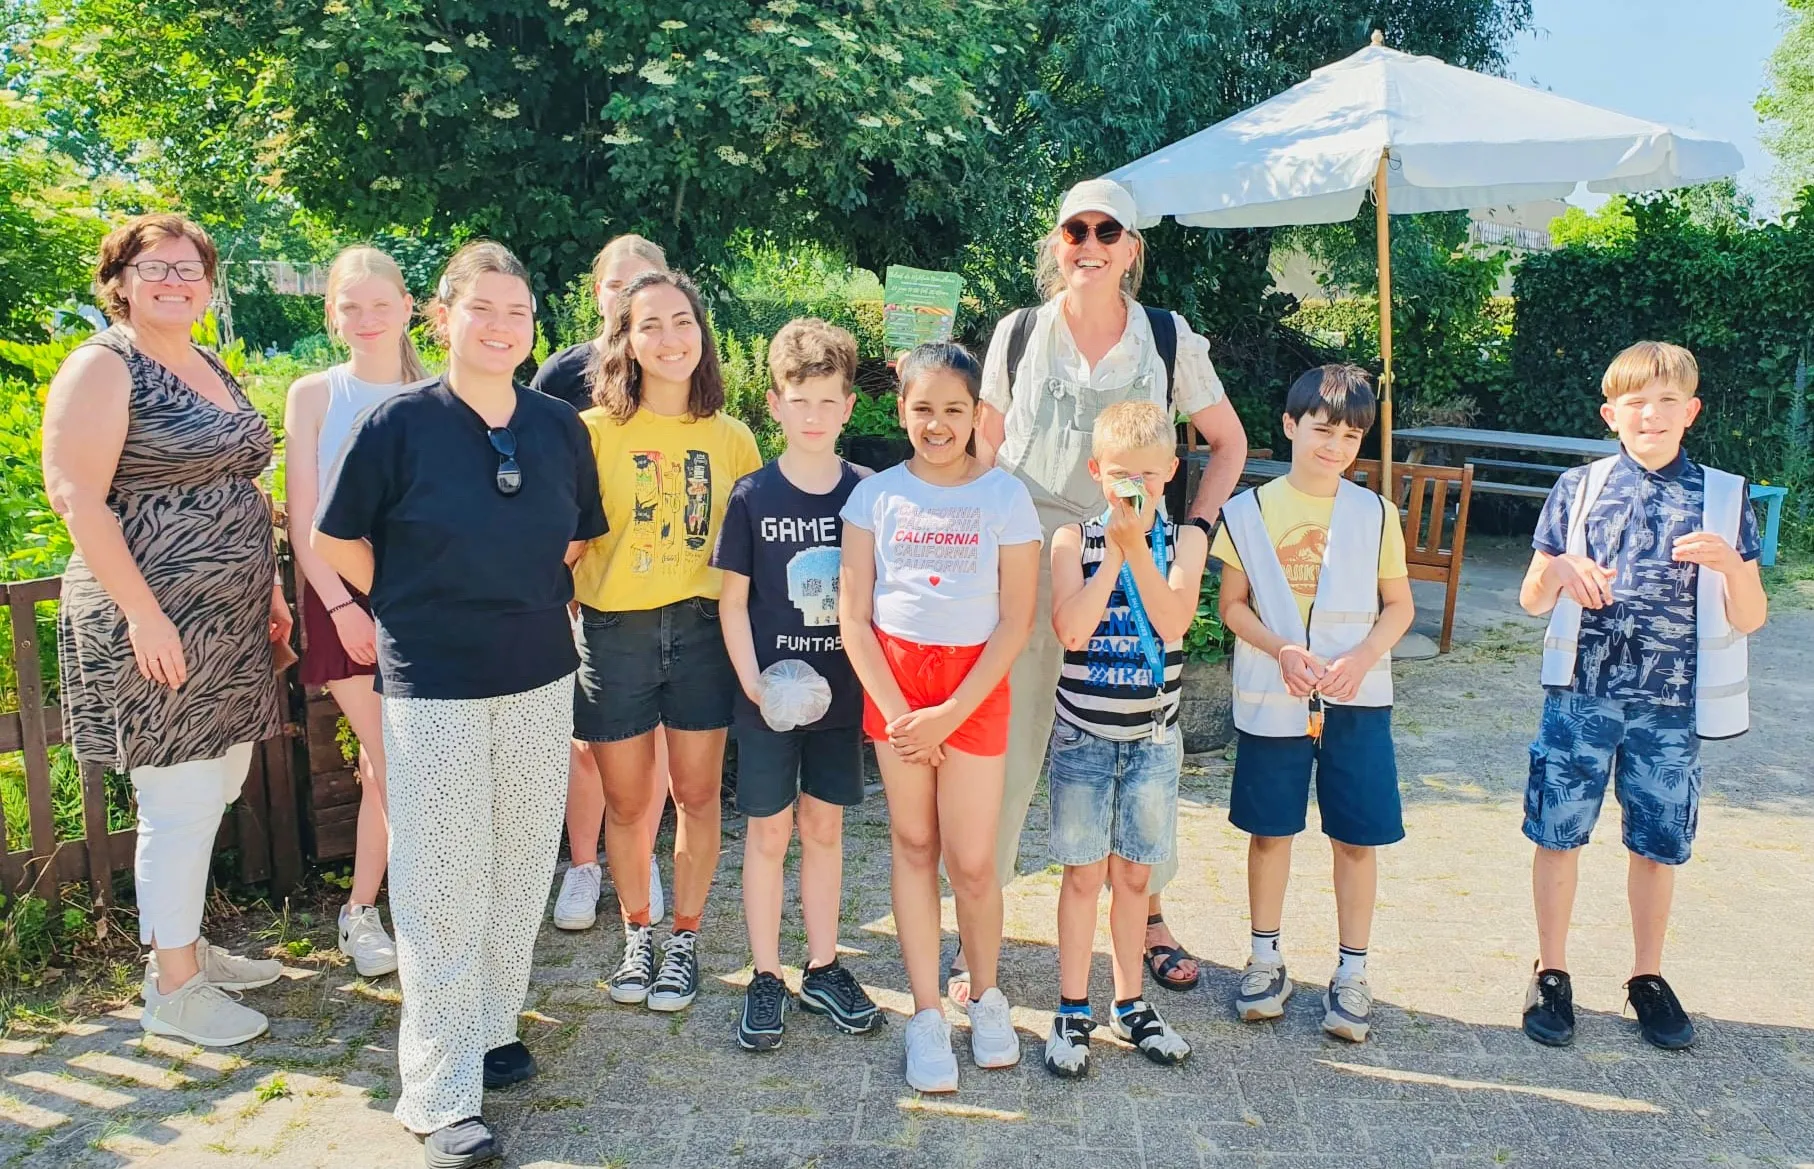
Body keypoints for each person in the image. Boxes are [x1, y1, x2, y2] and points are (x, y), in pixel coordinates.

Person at [312, 241, 606, 1168]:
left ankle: (486, 1027)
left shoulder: (561, 426)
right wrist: (408, 604)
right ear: (442, 317)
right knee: (441, 878)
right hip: (432, 677)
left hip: (537, 668)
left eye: (517, 312)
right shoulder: (399, 424)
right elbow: (337, 540)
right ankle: (436, 1096)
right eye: (481, 308)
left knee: (519, 862)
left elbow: (573, 542)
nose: (500, 326)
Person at [971, 177, 1248, 998]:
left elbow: (1226, 445)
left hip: (1132, 570)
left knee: (1141, 750)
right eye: (1074, 230)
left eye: (1107, 232)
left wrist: (1192, 530)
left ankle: (1149, 918)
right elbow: (984, 461)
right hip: (1030, 565)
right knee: (1013, 752)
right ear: (1056, 244)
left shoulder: (1165, 338)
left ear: (1131, 249)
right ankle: (977, 936)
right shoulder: (1019, 334)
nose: (1088, 245)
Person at [44, 213, 288, 1047]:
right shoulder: (104, 366)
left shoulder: (207, 362)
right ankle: (173, 990)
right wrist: (145, 613)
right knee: (178, 799)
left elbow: (239, 480)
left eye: (190, 268)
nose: (176, 281)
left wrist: (271, 589)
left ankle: (184, 948)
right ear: (119, 281)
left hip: (231, 616)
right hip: (153, 615)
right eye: (156, 268)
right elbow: (75, 493)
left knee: (216, 784)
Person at [1517, 341, 1766, 1052]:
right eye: (1635, 402)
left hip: (1672, 705)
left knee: (1658, 844)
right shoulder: (1579, 487)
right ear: (1611, 413)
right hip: (1582, 695)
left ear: (1690, 411)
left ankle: (1646, 976)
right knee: (1557, 832)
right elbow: (1532, 598)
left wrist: (1729, 563)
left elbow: (1749, 617)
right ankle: (1553, 968)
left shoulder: (1724, 494)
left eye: (1665, 401)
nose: (1649, 414)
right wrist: (1560, 568)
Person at [839, 342, 1042, 1093]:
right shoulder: (874, 496)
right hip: (897, 684)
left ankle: (986, 995)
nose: (938, 423)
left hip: (975, 685)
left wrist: (953, 710)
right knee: (913, 842)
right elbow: (853, 617)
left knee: (974, 858)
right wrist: (901, 715)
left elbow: (1018, 618)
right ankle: (926, 1013)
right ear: (901, 411)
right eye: (923, 408)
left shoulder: (1003, 497)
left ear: (975, 414)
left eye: (954, 409)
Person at [572, 270, 762, 1014]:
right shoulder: (589, 433)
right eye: (650, 324)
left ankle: (684, 938)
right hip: (613, 631)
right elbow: (562, 541)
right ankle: (636, 933)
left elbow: (752, 556)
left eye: (682, 322)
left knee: (697, 794)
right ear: (625, 339)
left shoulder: (733, 438)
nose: (670, 339)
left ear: (702, 334)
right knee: (627, 803)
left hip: (702, 629)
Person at [1212, 365, 1413, 1044]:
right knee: (1270, 831)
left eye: (1351, 435)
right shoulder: (1248, 511)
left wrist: (1360, 658)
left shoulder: (1377, 513)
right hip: (1275, 697)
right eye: (1323, 429)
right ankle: (1265, 958)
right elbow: (1230, 607)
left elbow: (1400, 606)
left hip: (1358, 700)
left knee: (1356, 837)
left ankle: (1352, 971)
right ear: (1291, 425)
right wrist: (1281, 649)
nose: (1335, 445)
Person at [715, 318, 881, 1051]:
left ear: (849, 406)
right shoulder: (752, 495)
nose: (813, 415)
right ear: (774, 404)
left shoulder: (867, 494)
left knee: (825, 829)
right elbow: (730, 600)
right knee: (768, 833)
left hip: (841, 701)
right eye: (798, 399)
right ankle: (764, 973)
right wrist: (753, 686)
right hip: (768, 705)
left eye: (827, 400)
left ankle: (822, 964)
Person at [1042, 401, 1206, 1078]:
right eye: (1119, 474)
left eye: (1146, 472)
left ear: (1169, 471)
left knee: (1135, 873)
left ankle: (1130, 1000)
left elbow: (1173, 623)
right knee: (1082, 874)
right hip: (1083, 735)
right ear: (1096, 474)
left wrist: (1139, 547)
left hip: (1153, 740)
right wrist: (1113, 553)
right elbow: (1071, 630)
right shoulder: (1069, 541)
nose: (1133, 486)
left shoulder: (1187, 542)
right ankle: (1073, 1004)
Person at [284, 245, 428, 979]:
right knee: (395, 759)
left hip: (425, 595)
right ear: (332, 314)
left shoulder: (442, 390)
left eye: (381, 304)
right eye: (351, 306)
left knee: (398, 765)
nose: (366, 320)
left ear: (408, 306)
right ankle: (396, 915)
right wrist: (340, 606)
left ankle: (371, 908)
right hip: (344, 595)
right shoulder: (316, 394)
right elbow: (305, 519)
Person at [533, 234, 675, 934]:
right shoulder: (561, 375)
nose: (629, 294)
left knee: (652, 742)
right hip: (583, 584)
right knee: (589, 741)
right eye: (617, 284)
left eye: (645, 282)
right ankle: (585, 864)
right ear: (598, 294)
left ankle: (640, 856)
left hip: (661, 588)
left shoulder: (678, 368)